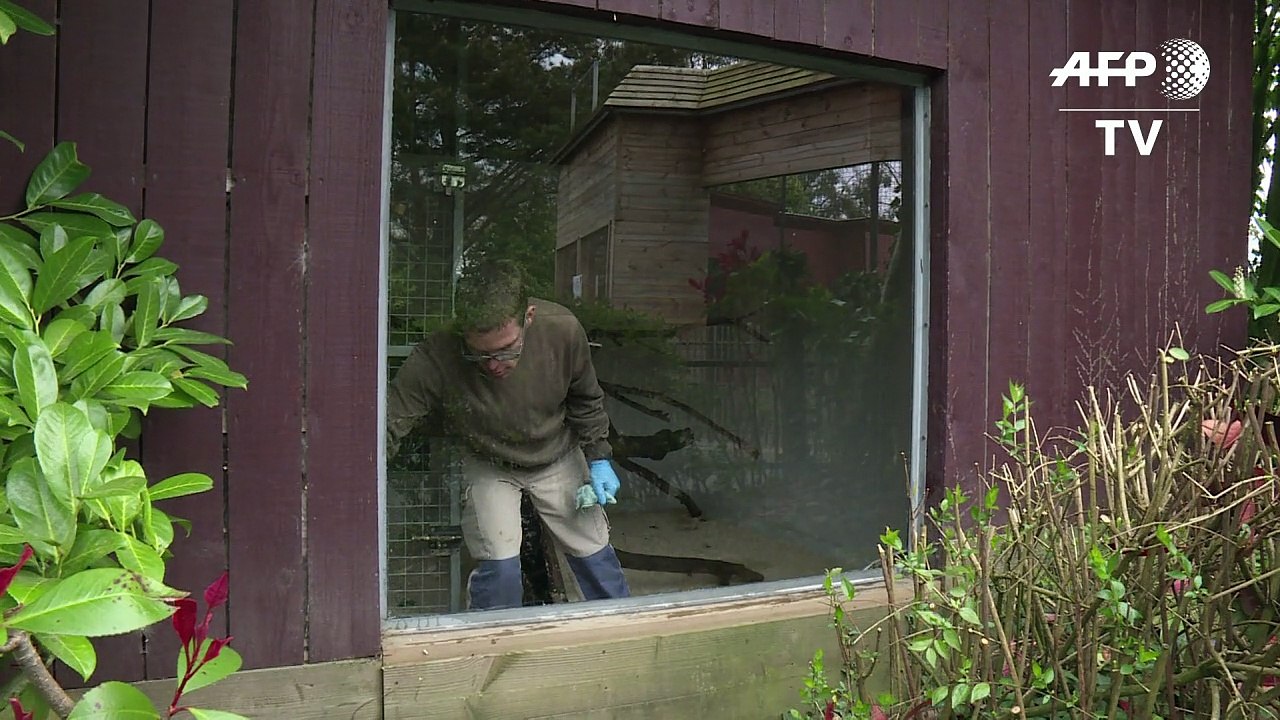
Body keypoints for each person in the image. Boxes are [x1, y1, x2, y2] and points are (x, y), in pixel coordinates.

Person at [386, 258, 631, 610]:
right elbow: (392, 420)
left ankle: (622, 635)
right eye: (480, 355)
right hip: (490, 462)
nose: (494, 365)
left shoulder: (562, 330)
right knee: (499, 565)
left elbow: (586, 399)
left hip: (556, 453)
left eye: (506, 350)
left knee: (594, 556)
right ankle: (491, 652)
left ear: (528, 316)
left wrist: (600, 458)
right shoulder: (437, 354)